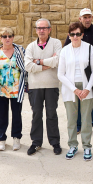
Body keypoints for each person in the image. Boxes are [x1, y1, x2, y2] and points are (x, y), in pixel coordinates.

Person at [57, 22, 93, 161]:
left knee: (86, 119)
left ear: (82, 35)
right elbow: (60, 74)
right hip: (70, 89)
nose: (75, 36)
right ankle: (73, 145)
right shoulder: (65, 50)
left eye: (78, 34)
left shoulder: (89, 48)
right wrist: (75, 89)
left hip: (87, 87)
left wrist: (87, 89)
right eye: (73, 34)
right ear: (69, 35)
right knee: (71, 119)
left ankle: (87, 146)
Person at [24, 18, 63, 156]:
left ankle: (55, 142)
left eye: (44, 28)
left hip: (51, 85)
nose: (41, 30)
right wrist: (47, 64)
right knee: (36, 115)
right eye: (39, 28)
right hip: (35, 86)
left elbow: (58, 60)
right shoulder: (30, 47)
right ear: (35, 30)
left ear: (49, 29)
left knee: (51, 114)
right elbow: (28, 66)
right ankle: (36, 142)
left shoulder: (56, 43)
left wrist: (38, 62)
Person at [64, 8, 93, 132]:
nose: (87, 20)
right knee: (78, 97)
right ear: (80, 18)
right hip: (76, 71)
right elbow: (66, 49)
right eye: (84, 17)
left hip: (91, 71)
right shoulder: (74, 32)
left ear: (92, 18)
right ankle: (79, 124)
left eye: (89, 17)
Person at [0, 27, 27, 152]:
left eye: (10, 36)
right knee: (2, 116)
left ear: (13, 37)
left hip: (16, 90)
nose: (7, 39)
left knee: (17, 115)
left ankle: (16, 138)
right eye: (4, 36)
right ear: (0, 38)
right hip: (1, 90)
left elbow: (26, 68)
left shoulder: (20, 51)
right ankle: (2, 139)